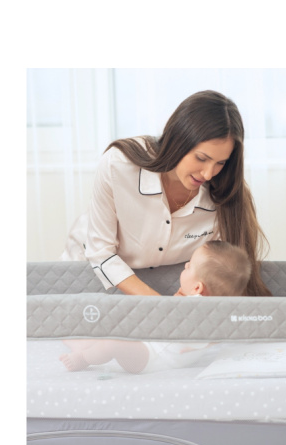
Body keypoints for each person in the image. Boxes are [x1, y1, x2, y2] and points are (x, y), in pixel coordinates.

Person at [61, 90, 271, 297]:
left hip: (165, 290)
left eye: (220, 163)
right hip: (91, 270)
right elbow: (101, 252)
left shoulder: (225, 195)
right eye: (201, 158)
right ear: (178, 141)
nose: (208, 173)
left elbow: (223, 277)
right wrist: (162, 307)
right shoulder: (118, 166)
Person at [59, 241, 251, 373]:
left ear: (197, 288)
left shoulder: (195, 311)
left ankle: (83, 359)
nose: (185, 265)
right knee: (105, 337)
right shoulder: (213, 313)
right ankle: (78, 345)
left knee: (113, 343)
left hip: (150, 358)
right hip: (148, 343)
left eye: (189, 267)